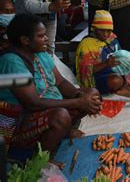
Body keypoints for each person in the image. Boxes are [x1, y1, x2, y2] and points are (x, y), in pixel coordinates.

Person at [0, 13, 101, 161]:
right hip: (16, 123)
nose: (46, 38)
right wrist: (78, 102)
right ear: (25, 40)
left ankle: (63, 131)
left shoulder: (40, 54)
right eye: (41, 36)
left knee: (92, 93)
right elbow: (32, 103)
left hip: (45, 108)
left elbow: (60, 82)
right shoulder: (11, 62)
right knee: (60, 116)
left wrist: (81, 97)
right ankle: (39, 159)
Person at [76, 10, 130, 98]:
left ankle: (124, 82)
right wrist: (106, 64)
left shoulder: (111, 37)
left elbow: (119, 54)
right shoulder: (86, 45)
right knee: (116, 80)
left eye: (108, 31)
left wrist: (127, 61)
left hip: (115, 69)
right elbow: (85, 72)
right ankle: (120, 87)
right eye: (102, 30)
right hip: (98, 76)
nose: (105, 34)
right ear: (94, 28)